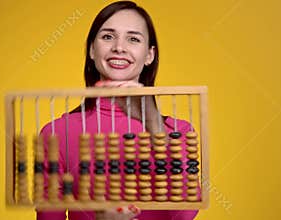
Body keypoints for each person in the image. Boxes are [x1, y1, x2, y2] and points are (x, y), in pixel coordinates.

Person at [37, 1, 199, 219]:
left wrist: (153, 123)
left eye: (133, 38)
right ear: (92, 50)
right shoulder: (57, 133)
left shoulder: (178, 132)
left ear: (149, 55)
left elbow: (184, 214)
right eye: (107, 36)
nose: (119, 47)